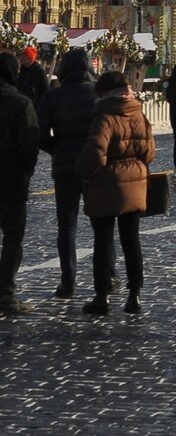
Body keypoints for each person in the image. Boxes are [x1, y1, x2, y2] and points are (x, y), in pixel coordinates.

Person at [76, 70, 154, 316]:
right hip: (135, 182)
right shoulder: (138, 112)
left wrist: (83, 173)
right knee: (132, 241)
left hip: (106, 184)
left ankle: (102, 295)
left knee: (103, 241)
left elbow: (95, 153)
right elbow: (149, 152)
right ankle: (135, 295)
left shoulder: (105, 116)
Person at [38, 47, 97, 298]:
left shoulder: (53, 97)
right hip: (95, 166)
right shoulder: (98, 95)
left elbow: (40, 134)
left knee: (67, 226)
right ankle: (107, 278)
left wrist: (57, 150)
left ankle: (68, 281)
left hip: (64, 167)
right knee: (101, 225)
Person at [0, 52, 39, 316]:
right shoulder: (20, 102)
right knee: (13, 239)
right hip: (11, 177)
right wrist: (25, 171)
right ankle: (5, 294)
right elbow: (30, 144)